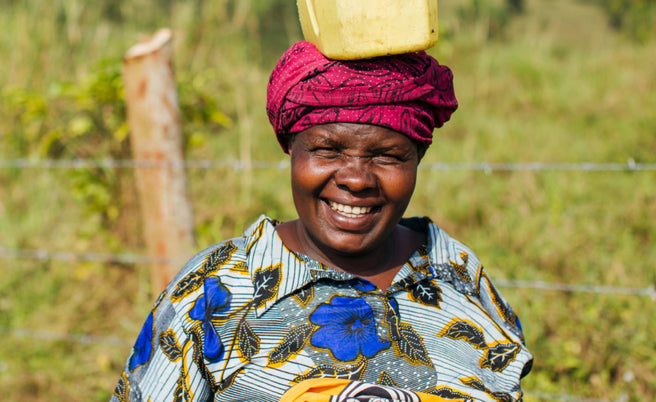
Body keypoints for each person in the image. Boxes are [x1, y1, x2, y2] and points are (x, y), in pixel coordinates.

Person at [111, 41, 532, 402]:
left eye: (386, 156)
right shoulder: (218, 290)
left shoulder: (454, 272)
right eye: (327, 150)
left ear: (417, 160)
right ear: (291, 149)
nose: (356, 179)